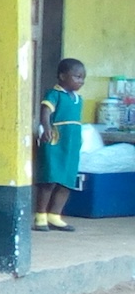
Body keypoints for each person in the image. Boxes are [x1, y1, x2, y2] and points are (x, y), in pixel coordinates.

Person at [36, 58, 87, 232]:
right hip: (56, 140)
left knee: (66, 181)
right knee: (50, 179)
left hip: (71, 144)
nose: (81, 81)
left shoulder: (78, 99)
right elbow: (46, 111)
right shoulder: (54, 94)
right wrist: (47, 126)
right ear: (62, 76)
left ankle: (55, 215)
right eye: (77, 77)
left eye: (82, 78)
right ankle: (41, 215)